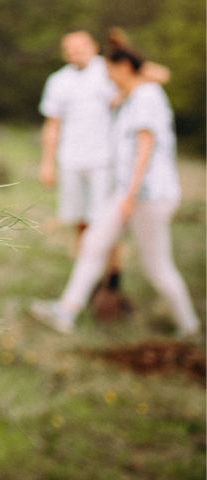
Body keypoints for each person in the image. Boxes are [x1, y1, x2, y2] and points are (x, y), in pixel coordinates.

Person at [30, 33, 201, 338]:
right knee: (94, 243)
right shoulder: (131, 97)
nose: (109, 79)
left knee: (157, 266)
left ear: (123, 68)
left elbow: (145, 148)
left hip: (147, 197)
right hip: (128, 194)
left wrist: (130, 196)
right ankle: (65, 312)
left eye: (111, 73)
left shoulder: (147, 97)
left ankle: (189, 326)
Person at [38, 30, 168, 310]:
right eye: (71, 49)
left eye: (81, 47)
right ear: (64, 53)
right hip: (70, 159)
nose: (77, 53)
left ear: (93, 47)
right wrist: (47, 162)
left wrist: (129, 54)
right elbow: (52, 124)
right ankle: (88, 280)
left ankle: (112, 280)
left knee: (105, 222)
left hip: (104, 161)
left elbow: (159, 75)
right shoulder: (58, 81)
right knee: (80, 221)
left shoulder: (109, 69)